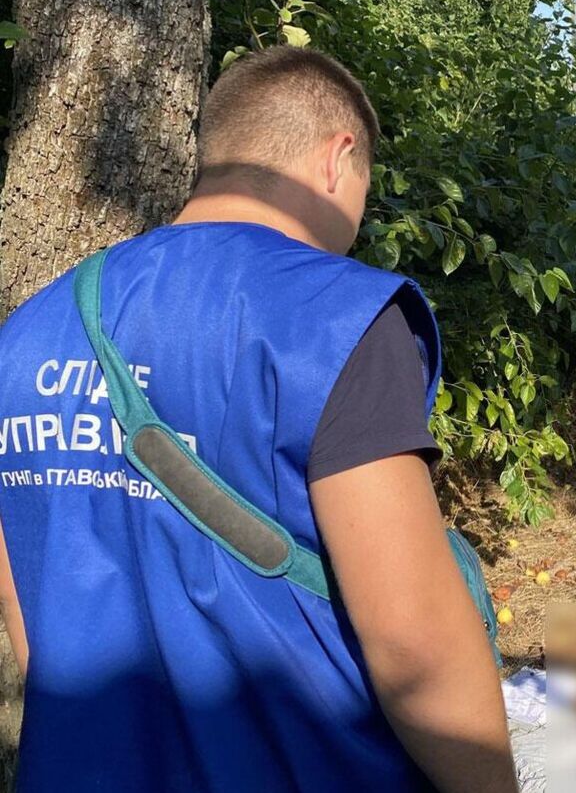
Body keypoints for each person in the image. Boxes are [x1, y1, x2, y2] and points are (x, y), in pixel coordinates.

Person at [0, 47, 515, 791]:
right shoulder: (336, 317)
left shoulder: (26, 334)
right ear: (339, 158)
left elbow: (23, 596)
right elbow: (415, 645)